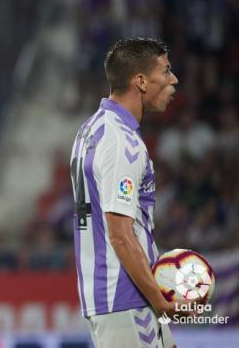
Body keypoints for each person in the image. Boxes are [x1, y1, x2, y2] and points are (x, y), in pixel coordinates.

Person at [70, 38, 191, 348]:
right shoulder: (121, 142)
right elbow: (121, 235)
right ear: (140, 81)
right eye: (165, 71)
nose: (173, 80)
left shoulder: (91, 129)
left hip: (116, 298)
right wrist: (160, 301)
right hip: (127, 299)